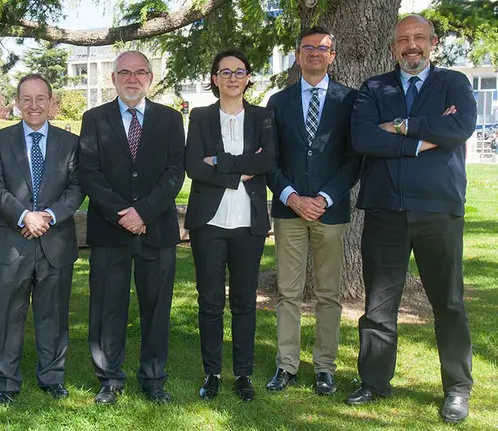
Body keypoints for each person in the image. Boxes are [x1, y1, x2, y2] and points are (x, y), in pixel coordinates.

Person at [347, 15, 476, 424]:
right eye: (403, 40)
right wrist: (425, 141)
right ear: (392, 48)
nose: (411, 45)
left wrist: (402, 127)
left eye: (419, 37)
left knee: (449, 304)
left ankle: (457, 389)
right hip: (385, 209)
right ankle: (373, 382)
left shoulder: (453, 82)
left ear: (432, 42)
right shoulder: (374, 87)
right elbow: (364, 138)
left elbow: (461, 126)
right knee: (379, 306)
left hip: (438, 209)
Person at [79, 50, 185, 405]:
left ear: (150, 79)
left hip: (157, 229)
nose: (132, 79)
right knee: (109, 305)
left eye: (140, 72)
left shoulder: (170, 120)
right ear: (113, 79)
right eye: (124, 72)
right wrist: (123, 214)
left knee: (156, 307)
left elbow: (175, 173)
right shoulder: (94, 118)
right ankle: (109, 378)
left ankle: (154, 378)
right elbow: (89, 173)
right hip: (111, 229)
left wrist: (144, 213)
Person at [264, 27, 360, 396]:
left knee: (329, 294)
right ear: (297, 54)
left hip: (330, 212)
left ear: (333, 55)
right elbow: (268, 159)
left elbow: (354, 159)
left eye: (323, 48)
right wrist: (290, 196)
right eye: (308, 48)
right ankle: (286, 366)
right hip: (289, 212)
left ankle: (324, 368)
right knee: (288, 293)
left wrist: (324, 197)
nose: (315, 53)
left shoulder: (349, 100)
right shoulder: (278, 101)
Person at [0, 73, 84, 406]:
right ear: (16, 102)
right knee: (7, 317)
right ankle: (7, 383)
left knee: (53, 315)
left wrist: (47, 216)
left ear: (51, 102)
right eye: (26, 98)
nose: (34, 105)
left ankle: (52, 378)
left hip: (56, 243)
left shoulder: (70, 143)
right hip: (12, 244)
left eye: (41, 98)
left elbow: (77, 189)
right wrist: (26, 216)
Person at [184, 48, 274, 402]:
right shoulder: (201, 116)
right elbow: (194, 166)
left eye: (240, 72)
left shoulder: (263, 116)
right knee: (209, 301)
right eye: (225, 72)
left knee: (244, 301)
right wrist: (240, 168)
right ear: (214, 78)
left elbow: (267, 159)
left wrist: (220, 162)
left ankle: (244, 374)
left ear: (248, 77)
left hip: (248, 223)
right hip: (209, 223)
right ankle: (212, 373)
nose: (233, 78)